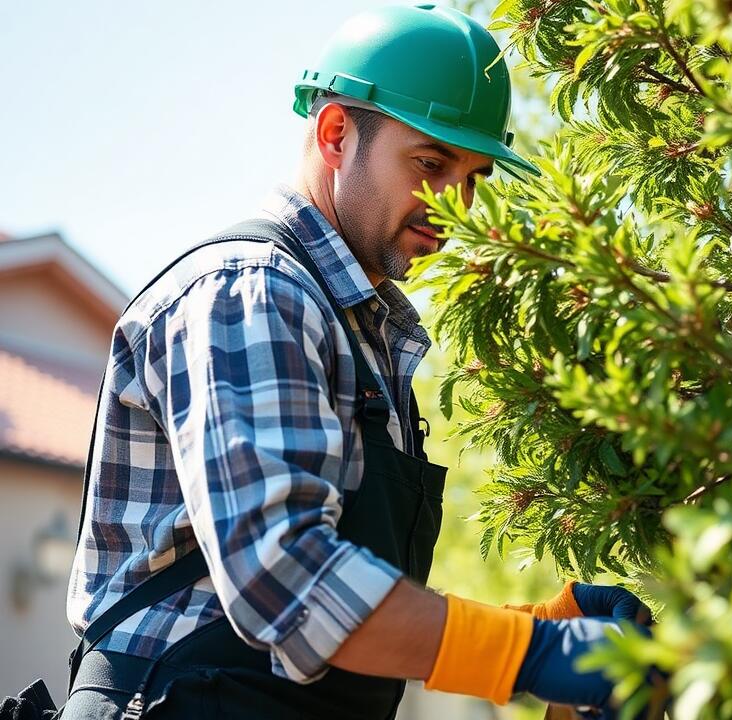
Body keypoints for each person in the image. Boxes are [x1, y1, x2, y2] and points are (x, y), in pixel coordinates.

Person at [61, 5, 649, 718]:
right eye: (431, 163)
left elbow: (352, 597)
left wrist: (534, 626)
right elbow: (289, 583)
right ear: (337, 132)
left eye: (474, 177)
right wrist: (534, 658)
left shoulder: (361, 328)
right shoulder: (251, 293)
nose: (455, 206)